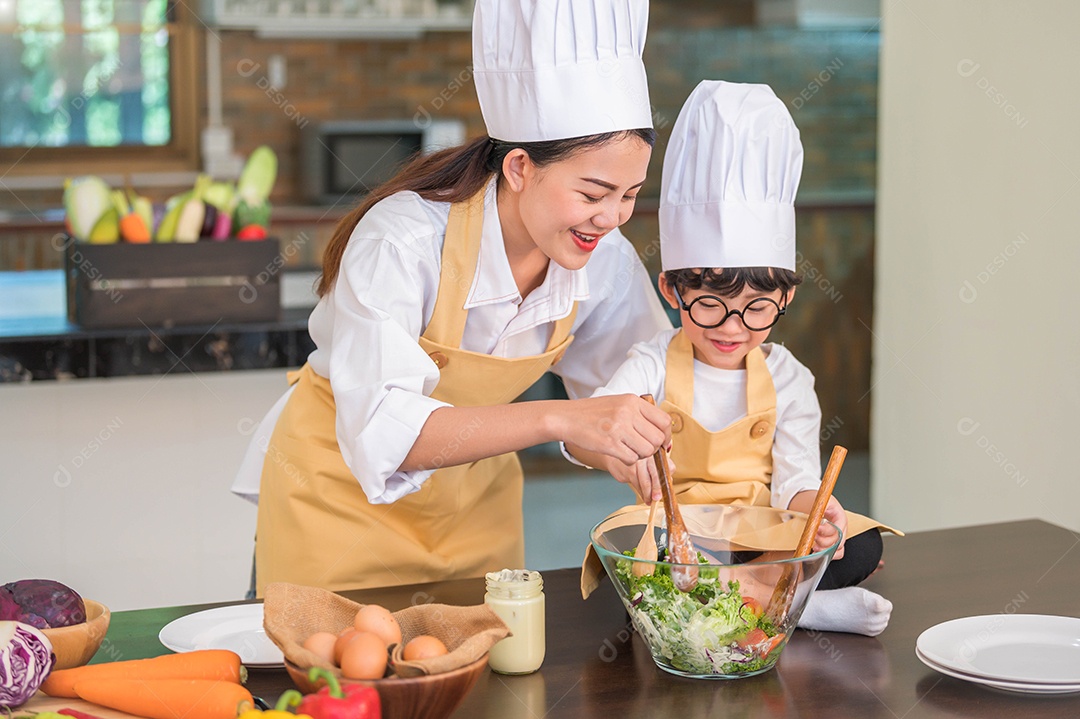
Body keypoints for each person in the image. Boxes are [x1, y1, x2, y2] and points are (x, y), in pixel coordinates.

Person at [233, 0, 674, 597]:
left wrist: (618, 449)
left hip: (474, 507)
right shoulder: (404, 240)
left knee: (489, 676)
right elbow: (387, 433)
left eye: (629, 195)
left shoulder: (607, 260)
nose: (611, 218)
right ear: (519, 166)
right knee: (335, 678)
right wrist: (560, 417)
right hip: (339, 499)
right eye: (594, 191)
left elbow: (621, 395)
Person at [570, 81, 900, 636]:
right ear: (672, 291)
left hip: (758, 533)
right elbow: (590, 427)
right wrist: (619, 456)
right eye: (709, 305)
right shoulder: (650, 361)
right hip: (681, 531)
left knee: (858, 544)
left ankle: (730, 601)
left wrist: (818, 513)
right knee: (630, 543)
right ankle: (792, 606)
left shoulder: (790, 379)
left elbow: (796, 480)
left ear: (786, 298)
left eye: (756, 310)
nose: (731, 328)